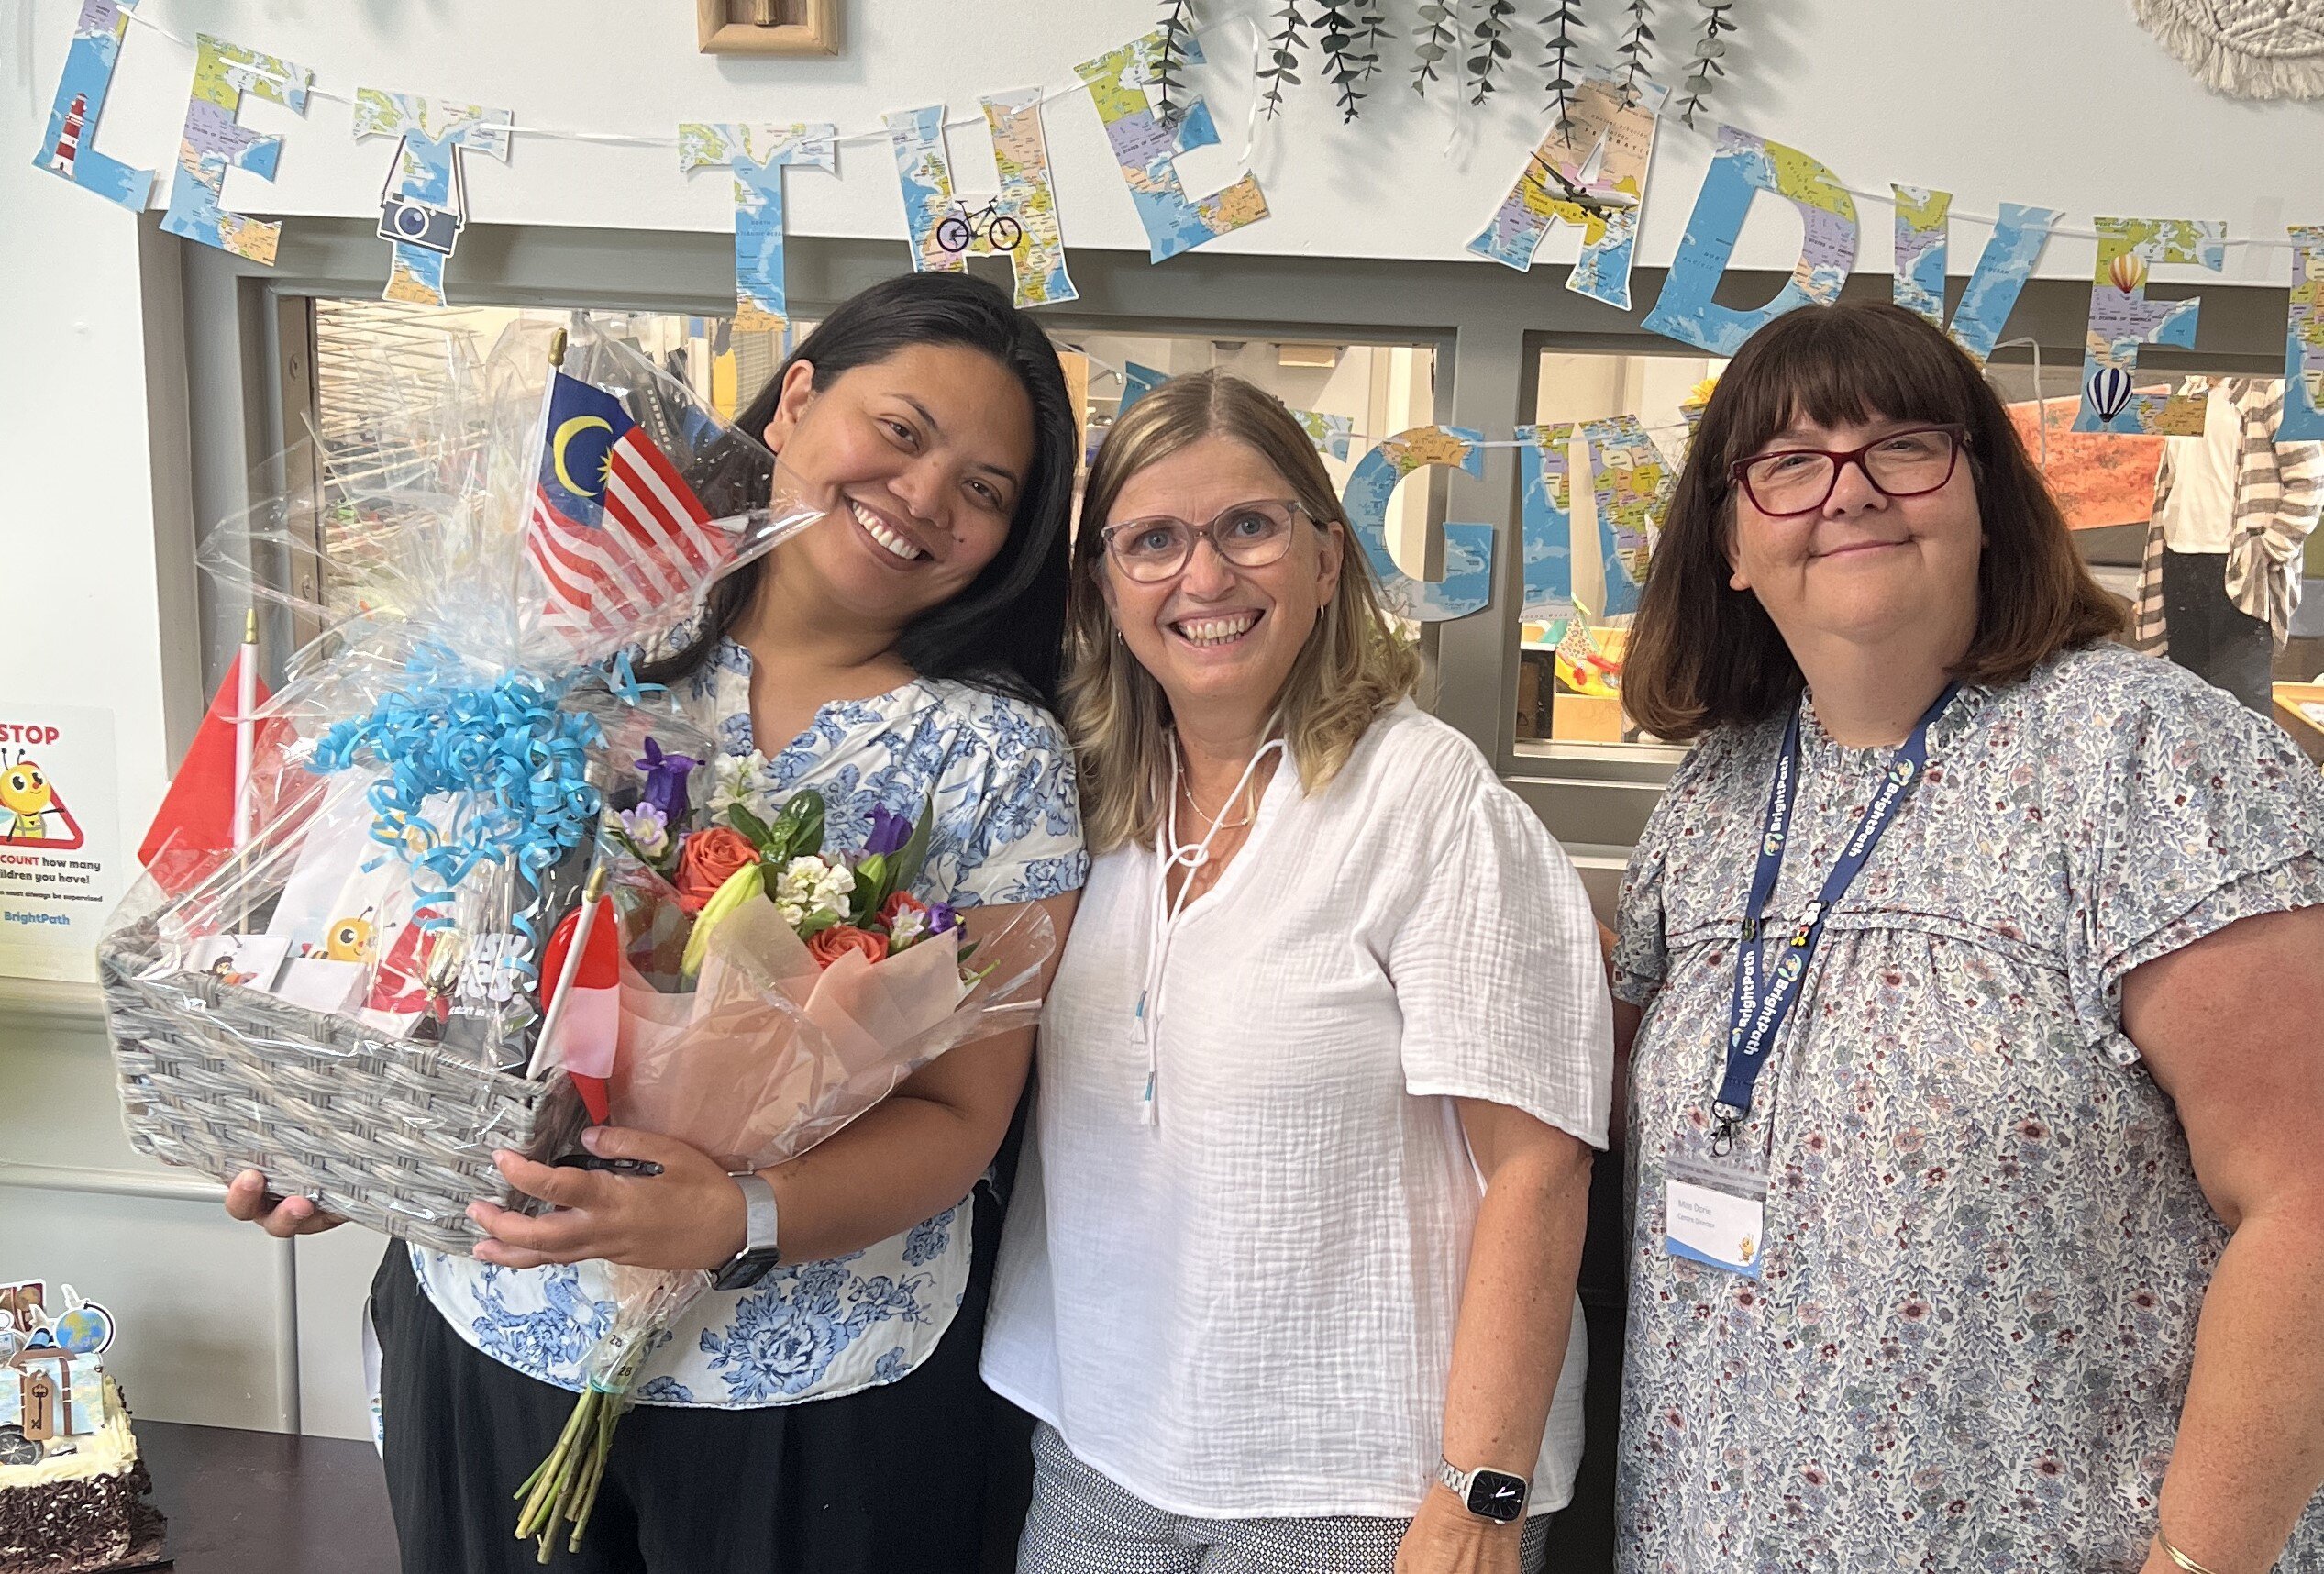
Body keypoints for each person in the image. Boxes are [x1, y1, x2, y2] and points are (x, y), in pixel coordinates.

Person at [223, 271, 1087, 1574]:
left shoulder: (997, 757)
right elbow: (418, 944)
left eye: (985, 490)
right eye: (902, 434)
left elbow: (963, 1120)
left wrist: (741, 1211)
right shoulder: (570, 638)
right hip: (494, 1324)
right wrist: (330, 1136)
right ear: (795, 400)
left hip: (821, 1393)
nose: (926, 497)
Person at [1612, 300, 2324, 1571]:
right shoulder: (1711, 796)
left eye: (1901, 445)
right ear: (1727, 542)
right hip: (1714, 1533)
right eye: (1785, 463)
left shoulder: (2139, 756)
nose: (1848, 491)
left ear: (1983, 494)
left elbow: (2305, 1199)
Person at [981, 371, 1610, 1574]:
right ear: (1101, 585)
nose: (1204, 579)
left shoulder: (1428, 805)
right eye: (1153, 540)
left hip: (1363, 1485)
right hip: (1099, 1445)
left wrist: (1477, 1494)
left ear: (1327, 562)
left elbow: (1537, 1167)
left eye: (1249, 528)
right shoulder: (1088, 801)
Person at [2130, 375, 2323, 714]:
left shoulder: (2273, 388)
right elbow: (2175, 477)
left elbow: (2309, 483)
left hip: (2239, 564)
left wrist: (2269, 550)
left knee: (2240, 704)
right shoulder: (2190, 389)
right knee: (2184, 700)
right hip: (2179, 557)